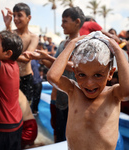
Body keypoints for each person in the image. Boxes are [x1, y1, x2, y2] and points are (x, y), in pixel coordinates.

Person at [47, 31, 129, 150]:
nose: (89, 83)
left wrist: (117, 49)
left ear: (110, 73)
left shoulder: (112, 94)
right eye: (82, 75)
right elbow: (52, 77)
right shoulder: (73, 90)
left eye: (98, 75)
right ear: (74, 72)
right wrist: (73, 44)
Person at [24, 6, 85, 143]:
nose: (61, 24)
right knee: (60, 136)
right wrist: (39, 57)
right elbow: (55, 66)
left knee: (73, 138)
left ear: (77, 22)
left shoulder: (84, 45)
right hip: (61, 100)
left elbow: (75, 68)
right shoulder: (63, 44)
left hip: (76, 101)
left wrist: (48, 57)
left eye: (65, 21)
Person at [2, 3, 39, 103]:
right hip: (10, 77)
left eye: (19, 15)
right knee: (9, 107)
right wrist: (7, 26)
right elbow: (5, 45)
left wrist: (7, 53)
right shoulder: (11, 32)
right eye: (14, 15)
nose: (15, 19)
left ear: (29, 17)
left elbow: (27, 58)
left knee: (25, 110)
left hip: (25, 78)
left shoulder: (33, 37)